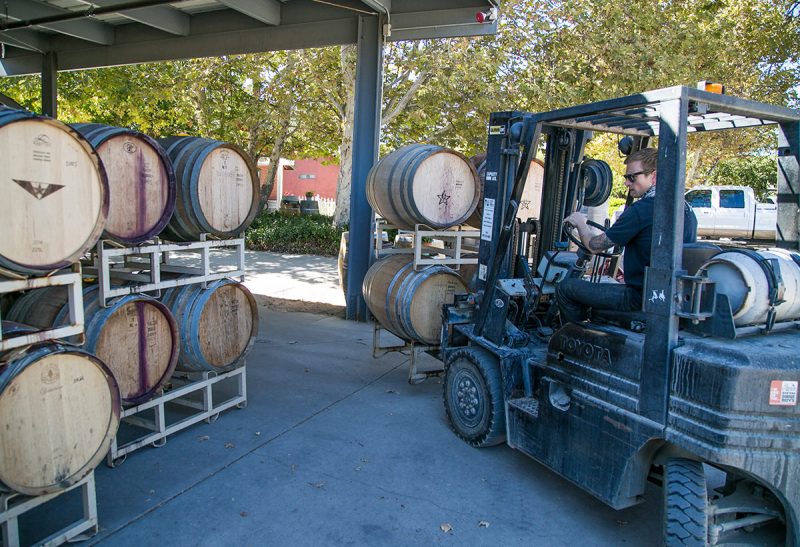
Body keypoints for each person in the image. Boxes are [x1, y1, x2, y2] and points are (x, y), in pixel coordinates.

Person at [555, 148, 697, 324]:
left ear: (654, 176)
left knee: (565, 288)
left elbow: (594, 245)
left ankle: (574, 337)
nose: (626, 183)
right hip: (671, 299)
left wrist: (580, 223)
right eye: (626, 178)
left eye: (632, 177)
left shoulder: (642, 210)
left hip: (638, 298)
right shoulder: (687, 210)